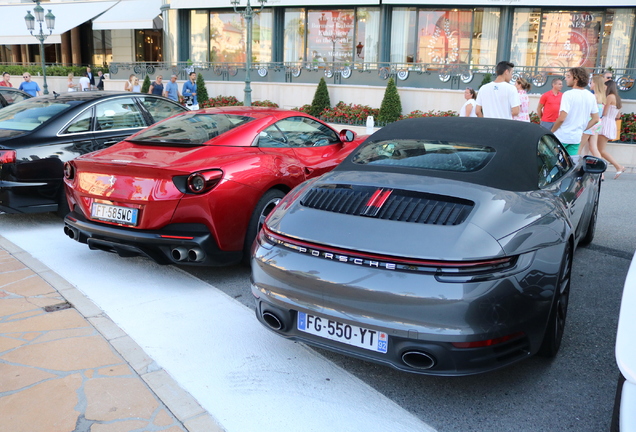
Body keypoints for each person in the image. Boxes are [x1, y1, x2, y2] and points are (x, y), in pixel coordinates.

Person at [551, 67, 599, 156]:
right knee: (570, 164)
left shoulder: (568, 95)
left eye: (568, 76)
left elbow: (562, 118)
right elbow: (596, 119)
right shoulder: (590, 96)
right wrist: (582, 128)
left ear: (576, 79)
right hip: (576, 137)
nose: (566, 79)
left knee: (553, 162)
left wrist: (551, 131)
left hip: (562, 136)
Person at [598, 80, 625, 179]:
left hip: (605, 122)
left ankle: (618, 166)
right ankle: (618, 166)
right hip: (611, 122)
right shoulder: (617, 98)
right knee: (600, 149)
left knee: (600, 150)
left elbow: (604, 113)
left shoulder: (609, 97)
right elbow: (618, 115)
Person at [578, 75, 606, 160]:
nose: (590, 84)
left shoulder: (593, 96)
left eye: (592, 82)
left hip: (590, 122)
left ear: (595, 84)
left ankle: (575, 167)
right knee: (593, 148)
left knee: (579, 147)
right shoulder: (602, 96)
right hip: (597, 122)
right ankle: (601, 171)